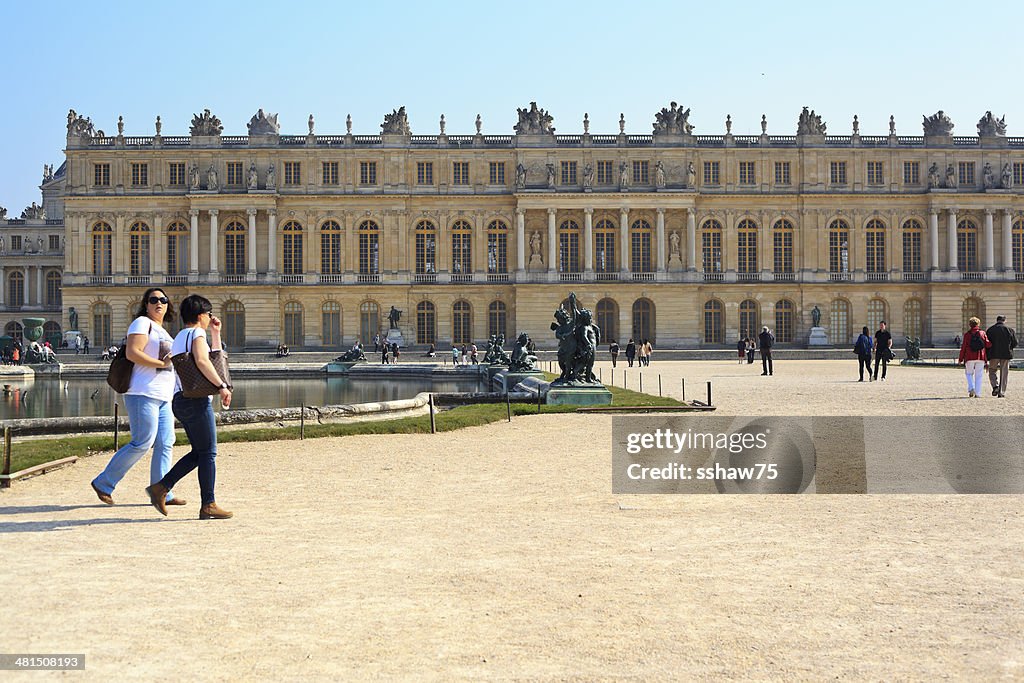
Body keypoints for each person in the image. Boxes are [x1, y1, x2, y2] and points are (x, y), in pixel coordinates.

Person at [145, 294, 232, 520]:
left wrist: (215, 333)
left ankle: (161, 488)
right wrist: (222, 386)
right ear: (201, 314)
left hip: (181, 400)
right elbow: (204, 362)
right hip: (195, 401)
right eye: (209, 314)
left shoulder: (181, 335)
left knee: (199, 453)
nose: (211, 318)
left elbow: (211, 358)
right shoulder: (197, 333)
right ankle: (208, 504)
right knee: (209, 453)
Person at [91, 288, 180, 507]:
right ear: (146, 304)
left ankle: (161, 492)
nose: (159, 303)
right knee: (142, 441)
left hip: (162, 395)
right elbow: (132, 352)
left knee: (166, 442)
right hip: (142, 392)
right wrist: (161, 363)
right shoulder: (141, 323)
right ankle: (104, 482)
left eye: (163, 300)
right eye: (153, 300)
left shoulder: (163, 331)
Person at [958, 317, 991, 398]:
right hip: (980, 356)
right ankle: (978, 393)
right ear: (978, 324)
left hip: (969, 357)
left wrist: (960, 359)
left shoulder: (967, 335)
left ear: (970, 325)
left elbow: (963, 348)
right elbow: (988, 344)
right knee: (979, 375)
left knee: (969, 374)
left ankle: (971, 387)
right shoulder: (982, 333)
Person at [985, 315, 1017, 398]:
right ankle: (1001, 392)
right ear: (1004, 320)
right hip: (1006, 354)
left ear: (997, 320)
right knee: (1004, 373)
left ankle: (995, 386)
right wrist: (1009, 348)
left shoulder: (990, 330)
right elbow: (1015, 343)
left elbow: (986, 343)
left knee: (992, 370)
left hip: (993, 354)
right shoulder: (1010, 330)